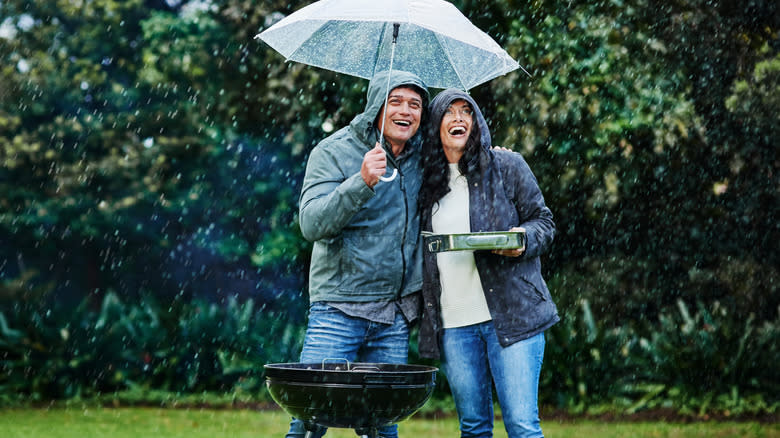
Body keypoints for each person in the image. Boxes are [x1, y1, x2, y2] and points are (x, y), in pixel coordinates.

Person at [285, 70, 429, 438]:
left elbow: (468, 155)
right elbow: (312, 225)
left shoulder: (422, 157)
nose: (406, 111)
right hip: (339, 309)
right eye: (395, 101)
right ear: (375, 107)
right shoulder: (332, 151)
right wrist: (361, 181)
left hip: (392, 316)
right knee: (309, 420)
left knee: (382, 428)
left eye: (415, 104)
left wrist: (498, 155)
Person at [417, 88, 559, 438]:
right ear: (435, 123)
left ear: (476, 121)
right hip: (454, 328)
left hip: (512, 318)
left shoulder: (506, 166)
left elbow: (544, 222)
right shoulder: (424, 182)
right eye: (449, 112)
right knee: (474, 429)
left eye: (467, 111)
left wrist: (520, 240)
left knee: (522, 427)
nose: (459, 118)